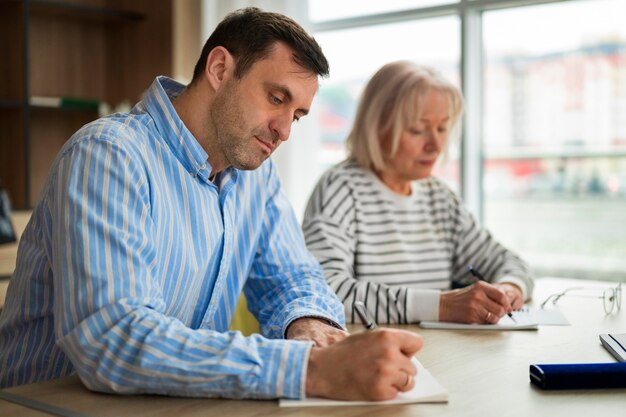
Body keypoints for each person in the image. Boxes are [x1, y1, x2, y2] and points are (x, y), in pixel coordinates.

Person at [0, 9, 423, 401]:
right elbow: (114, 340)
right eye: (277, 98)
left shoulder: (256, 178)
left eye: (296, 115)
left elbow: (291, 276)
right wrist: (308, 368)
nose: (284, 132)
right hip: (42, 407)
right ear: (220, 69)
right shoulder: (108, 156)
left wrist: (310, 327)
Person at [303, 61, 534, 325]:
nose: (435, 145)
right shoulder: (341, 189)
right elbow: (324, 292)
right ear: (378, 127)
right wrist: (442, 306)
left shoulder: (439, 196)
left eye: (442, 128)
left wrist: (508, 289)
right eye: (417, 129)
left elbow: (509, 263)